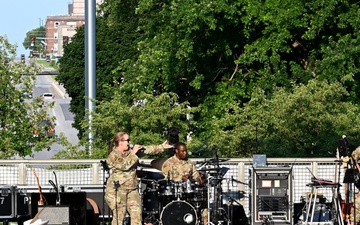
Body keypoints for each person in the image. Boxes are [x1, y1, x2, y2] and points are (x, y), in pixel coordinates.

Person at [105, 132, 173, 225]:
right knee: (119, 217)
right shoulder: (113, 156)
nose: (129, 142)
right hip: (118, 190)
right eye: (127, 140)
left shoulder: (131, 151)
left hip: (132, 189)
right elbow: (125, 166)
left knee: (137, 214)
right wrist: (133, 153)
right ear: (120, 142)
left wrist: (162, 147)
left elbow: (147, 150)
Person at [161, 142, 208, 225]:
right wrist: (180, 178)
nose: (185, 153)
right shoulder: (168, 163)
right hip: (174, 193)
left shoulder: (189, 163)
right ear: (176, 151)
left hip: (188, 192)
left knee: (204, 203)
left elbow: (195, 175)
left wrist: (199, 178)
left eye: (185, 151)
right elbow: (165, 180)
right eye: (182, 151)